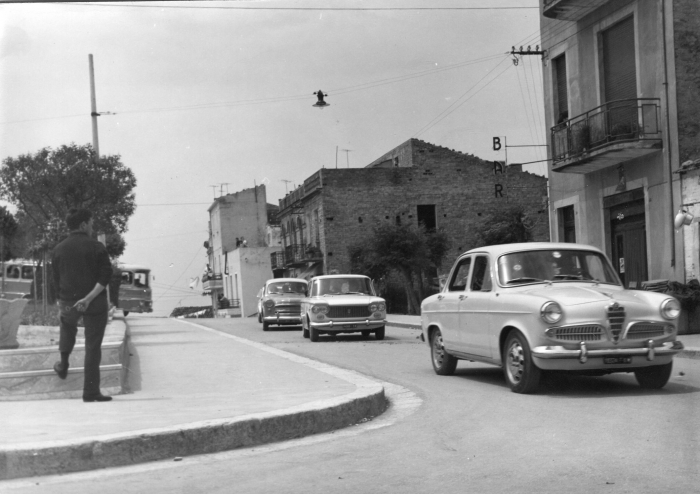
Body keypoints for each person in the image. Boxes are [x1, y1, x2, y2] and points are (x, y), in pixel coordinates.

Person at [51, 208, 114, 402]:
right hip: (94, 302)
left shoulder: (58, 249)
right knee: (92, 347)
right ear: (83, 225)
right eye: (91, 223)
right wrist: (88, 299)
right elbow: (106, 276)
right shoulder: (96, 247)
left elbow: (56, 279)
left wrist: (61, 302)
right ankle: (90, 392)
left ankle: (63, 363)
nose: (92, 227)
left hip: (69, 301)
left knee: (67, 328)